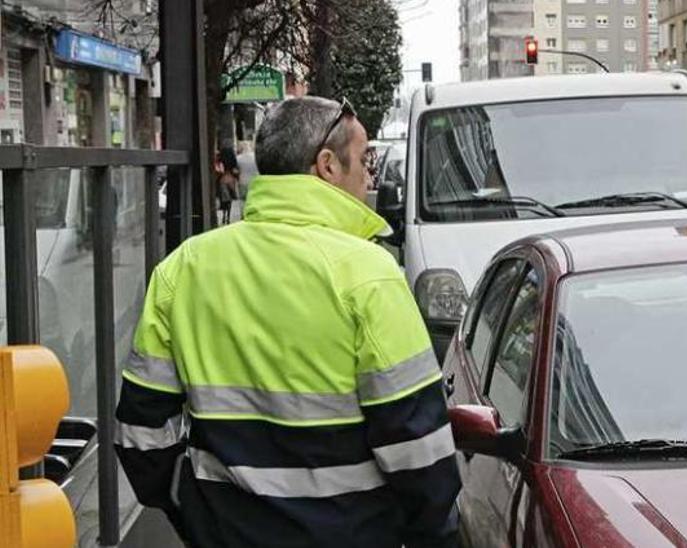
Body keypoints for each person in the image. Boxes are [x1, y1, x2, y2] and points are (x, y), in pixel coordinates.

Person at [114, 96, 461, 548]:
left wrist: (195, 511)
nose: (369, 176)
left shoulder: (183, 269)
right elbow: (418, 449)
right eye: (364, 159)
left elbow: (142, 435)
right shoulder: (368, 275)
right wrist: (433, 533)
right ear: (327, 165)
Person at [215, 146, 239, 224]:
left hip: (223, 179)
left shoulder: (221, 160)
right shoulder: (232, 161)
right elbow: (235, 170)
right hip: (231, 179)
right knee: (230, 201)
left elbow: (218, 170)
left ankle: (224, 215)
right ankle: (228, 216)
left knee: (224, 199)